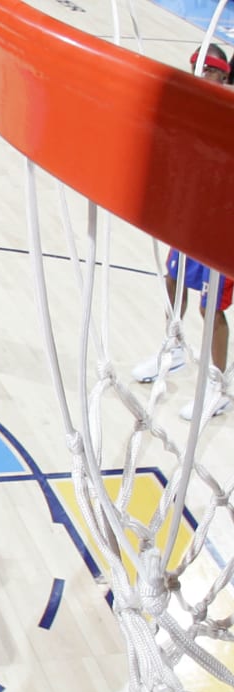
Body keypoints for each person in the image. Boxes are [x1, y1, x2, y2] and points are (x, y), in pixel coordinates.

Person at [131, 47, 233, 418]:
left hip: (225, 222)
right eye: (196, 67)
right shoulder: (194, 107)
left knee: (211, 306)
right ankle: (173, 349)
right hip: (193, 215)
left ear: (223, 75)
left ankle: (219, 386)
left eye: (208, 69)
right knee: (172, 280)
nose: (200, 73)